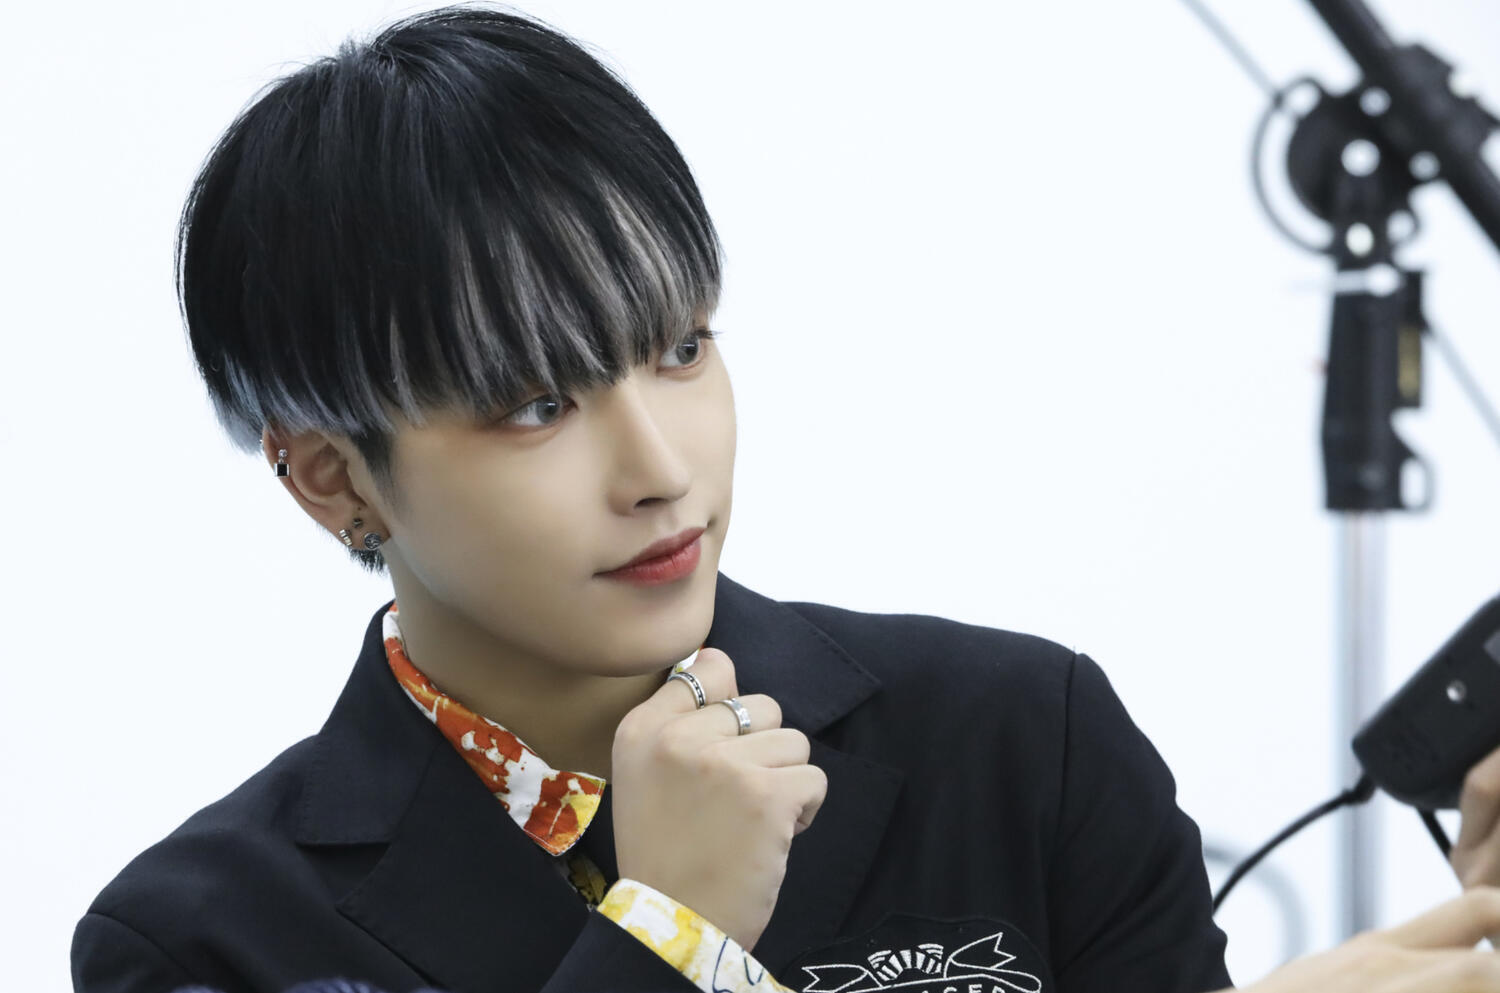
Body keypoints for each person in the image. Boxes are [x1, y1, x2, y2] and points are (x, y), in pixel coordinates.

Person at [68, 5, 1500, 993]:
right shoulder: (199, 937)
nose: (660, 467)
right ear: (332, 478)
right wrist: (669, 936)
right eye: (536, 405)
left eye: (680, 348)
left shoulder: (1022, 741)